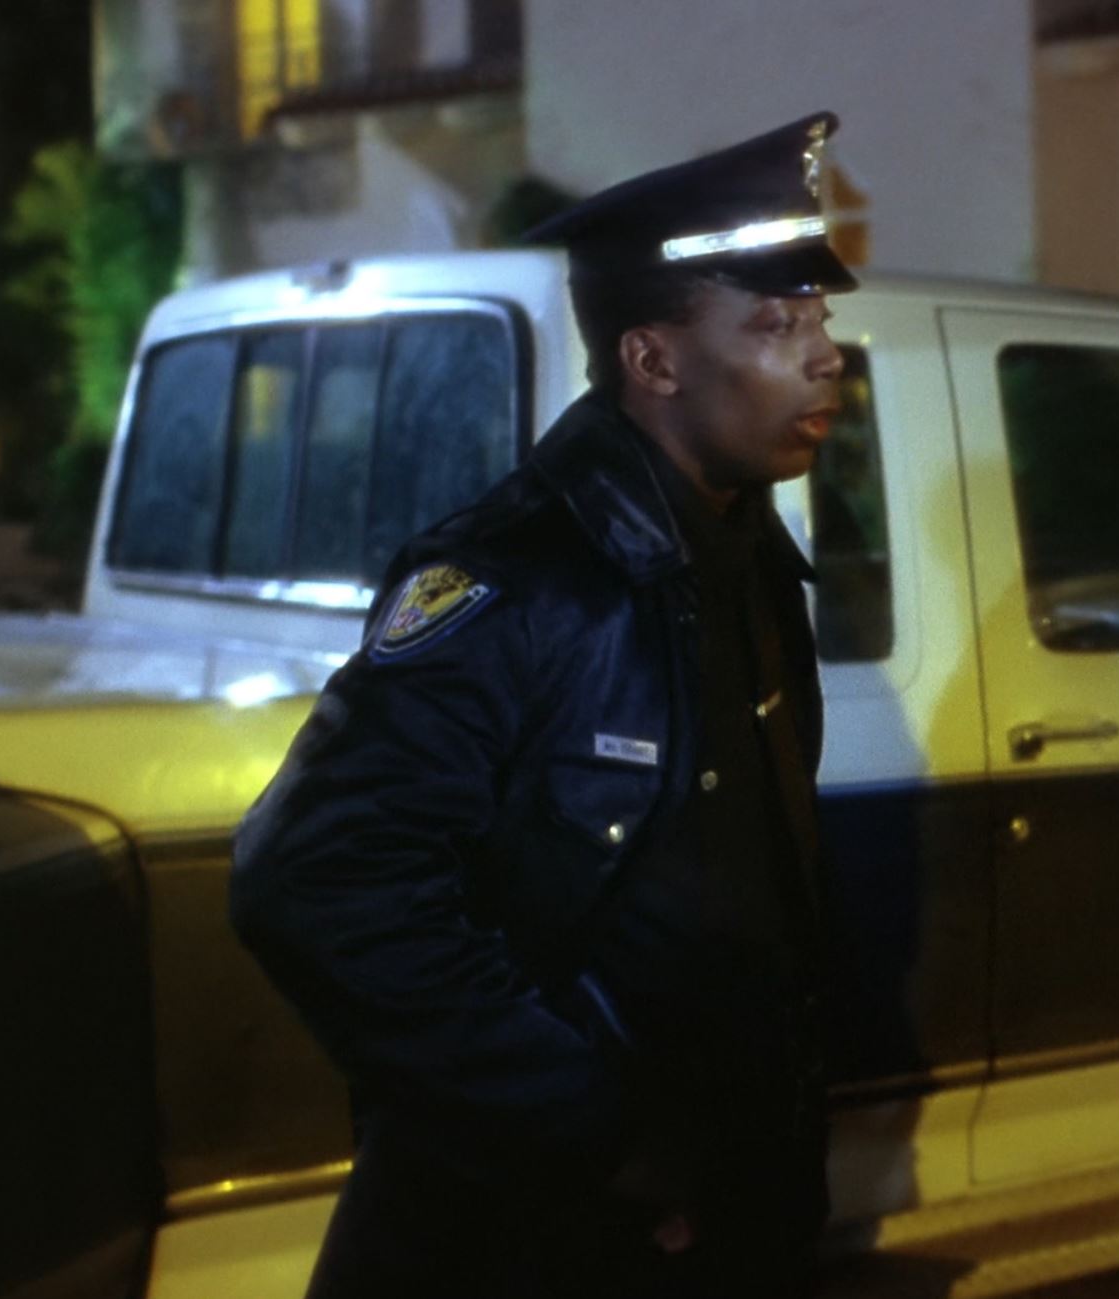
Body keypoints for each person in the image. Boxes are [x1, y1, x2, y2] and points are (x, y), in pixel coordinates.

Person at [228, 113, 856, 1299]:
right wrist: (599, 1131)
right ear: (652, 361)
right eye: (776, 325)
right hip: (538, 1233)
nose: (824, 355)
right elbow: (316, 880)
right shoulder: (516, 577)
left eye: (820, 320)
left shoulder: (747, 556)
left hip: (722, 1213)